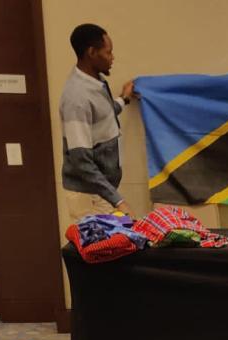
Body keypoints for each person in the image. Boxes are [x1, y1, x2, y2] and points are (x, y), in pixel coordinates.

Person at [61, 24, 136, 224]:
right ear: (91, 53)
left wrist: (124, 100)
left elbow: (104, 115)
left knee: (113, 248)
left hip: (102, 191)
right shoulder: (76, 98)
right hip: (89, 195)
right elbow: (81, 161)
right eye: (108, 52)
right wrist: (118, 201)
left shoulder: (96, 82)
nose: (113, 57)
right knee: (99, 251)